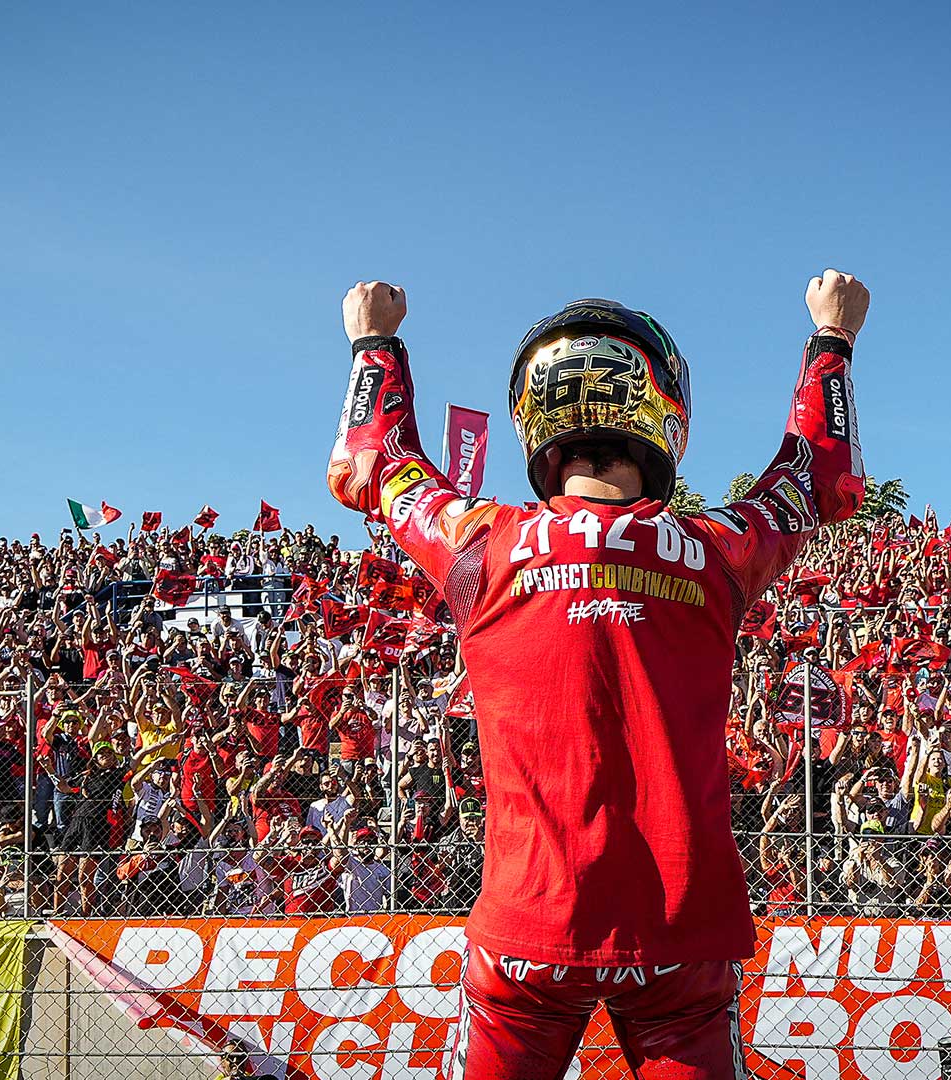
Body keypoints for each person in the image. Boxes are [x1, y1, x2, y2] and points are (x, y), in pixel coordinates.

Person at [328, 270, 869, 1079]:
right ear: (663, 409)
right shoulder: (718, 550)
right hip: (680, 934)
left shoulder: (481, 544)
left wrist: (374, 343)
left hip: (526, 927)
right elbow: (821, 478)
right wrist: (832, 340)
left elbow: (371, 465)